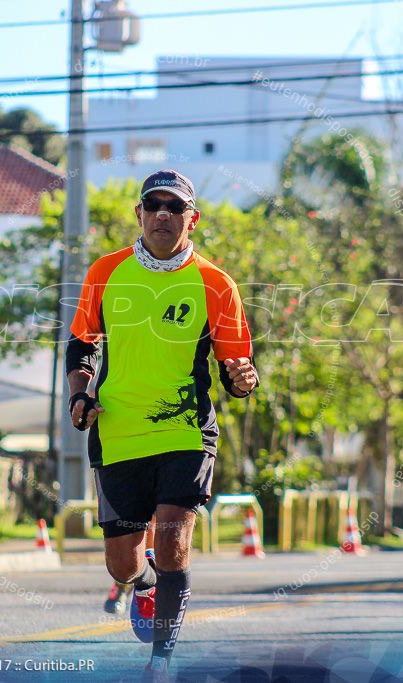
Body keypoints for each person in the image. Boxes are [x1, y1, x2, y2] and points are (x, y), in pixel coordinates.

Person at [66, 170, 258, 681]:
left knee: (173, 539)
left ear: (191, 219)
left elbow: (236, 371)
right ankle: (144, 585)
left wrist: (243, 379)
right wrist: (78, 395)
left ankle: (161, 662)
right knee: (121, 566)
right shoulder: (107, 272)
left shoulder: (217, 285)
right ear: (140, 214)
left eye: (175, 207)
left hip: (185, 432)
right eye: (154, 204)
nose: (163, 214)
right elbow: (81, 345)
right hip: (118, 428)